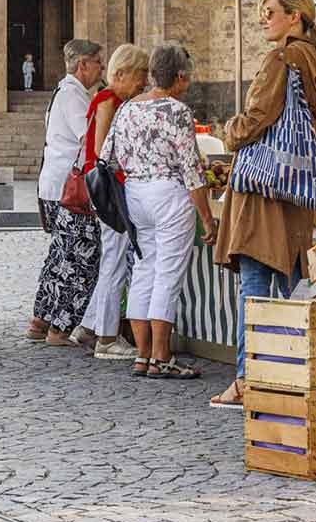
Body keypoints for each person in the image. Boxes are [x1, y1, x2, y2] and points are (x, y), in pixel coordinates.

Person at [210, 0, 316, 409]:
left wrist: (229, 131)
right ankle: (295, 372)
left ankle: (249, 380)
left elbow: (257, 117)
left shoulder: (282, 58)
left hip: (262, 190)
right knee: (292, 285)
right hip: (293, 189)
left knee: (254, 288)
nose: (264, 19)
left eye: (270, 12)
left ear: (294, 17)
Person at [107, 43, 216, 379]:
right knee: (167, 274)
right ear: (180, 77)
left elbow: (107, 154)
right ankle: (162, 355)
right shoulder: (177, 111)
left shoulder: (127, 108)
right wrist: (207, 218)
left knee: (143, 270)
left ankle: (143, 356)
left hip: (136, 192)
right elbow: (191, 170)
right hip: (169, 193)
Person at [71, 44, 150, 359]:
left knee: (112, 258)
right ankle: (107, 338)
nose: (143, 83)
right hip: (108, 190)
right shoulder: (109, 101)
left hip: (104, 188)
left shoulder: (107, 99)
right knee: (114, 261)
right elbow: (105, 153)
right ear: (121, 74)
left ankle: (88, 327)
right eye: (139, 75)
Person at [29, 38, 105, 346]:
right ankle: (59, 329)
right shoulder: (73, 95)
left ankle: (41, 319)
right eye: (99, 62)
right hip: (69, 190)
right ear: (83, 64)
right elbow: (88, 137)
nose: (102, 68)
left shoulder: (65, 92)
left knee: (59, 257)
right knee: (78, 260)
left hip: (55, 185)